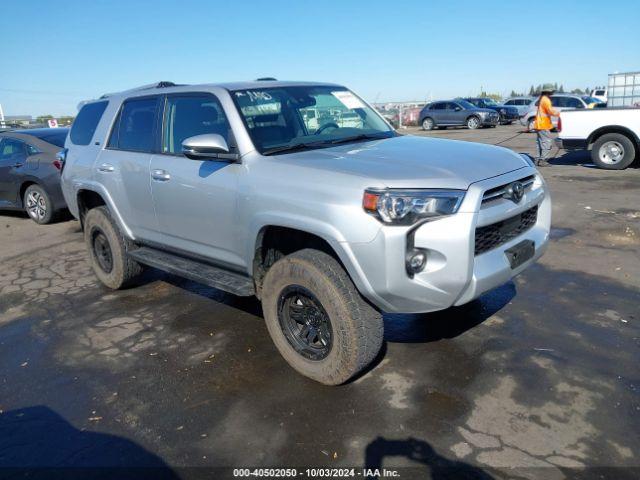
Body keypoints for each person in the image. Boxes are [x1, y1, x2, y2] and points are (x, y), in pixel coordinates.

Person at [533, 89, 560, 167]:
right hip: (543, 125)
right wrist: (561, 114)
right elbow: (551, 111)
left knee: (540, 142)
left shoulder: (541, 99)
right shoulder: (546, 100)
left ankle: (538, 159)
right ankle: (543, 160)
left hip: (539, 124)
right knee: (546, 142)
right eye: (552, 92)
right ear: (548, 92)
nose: (552, 93)